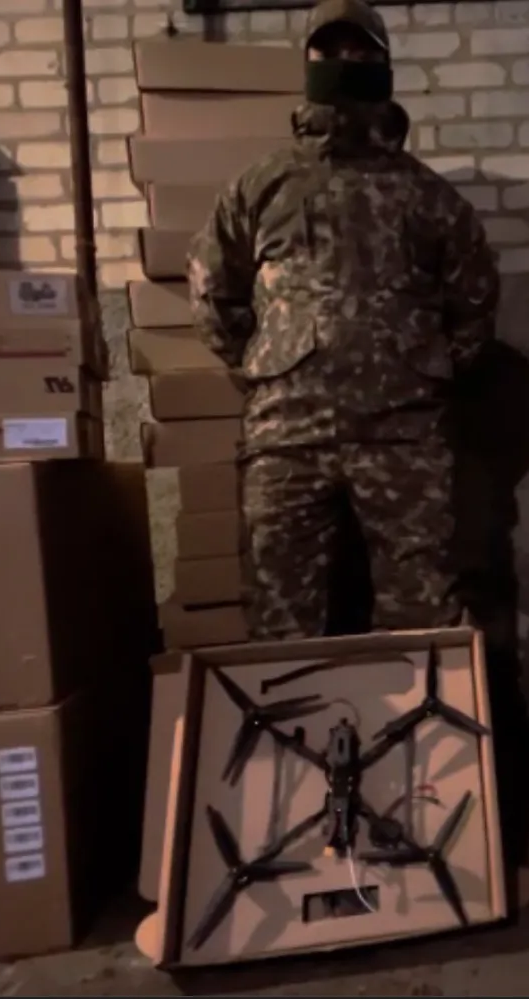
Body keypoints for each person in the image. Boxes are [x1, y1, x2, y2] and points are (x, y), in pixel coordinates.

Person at [187, 0, 498, 641]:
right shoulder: (262, 187)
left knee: (422, 615)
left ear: (384, 63)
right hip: (288, 436)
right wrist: (269, 369)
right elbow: (213, 293)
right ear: (307, 63)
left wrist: (423, 376)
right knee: (281, 619)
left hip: (404, 438)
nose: (345, 61)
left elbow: (474, 306)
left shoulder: (429, 197)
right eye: (329, 51)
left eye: (360, 51)